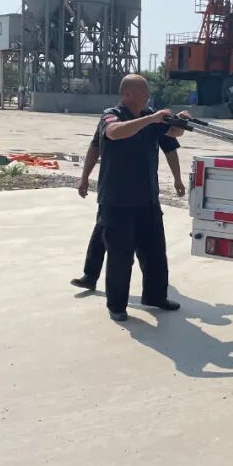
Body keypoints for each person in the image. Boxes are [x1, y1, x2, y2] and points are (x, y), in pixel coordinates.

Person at [95, 74, 189, 321]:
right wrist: (151, 118)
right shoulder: (112, 115)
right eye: (142, 92)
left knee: (155, 253)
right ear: (127, 94)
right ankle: (117, 305)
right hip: (117, 201)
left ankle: (156, 296)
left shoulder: (150, 117)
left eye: (147, 91)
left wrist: (181, 121)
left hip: (147, 199)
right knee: (120, 257)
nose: (147, 96)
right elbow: (114, 132)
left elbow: (173, 134)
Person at [71, 123, 185, 291]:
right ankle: (90, 276)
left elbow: (170, 148)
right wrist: (84, 177)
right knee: (101, 233)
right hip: (112, 193)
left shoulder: (154, 121)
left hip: (144, 196)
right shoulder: (111, 119)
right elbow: (95, 147)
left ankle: (153, 289)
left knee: (147, 245)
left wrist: (177, 179)